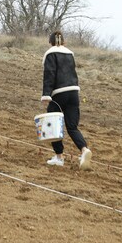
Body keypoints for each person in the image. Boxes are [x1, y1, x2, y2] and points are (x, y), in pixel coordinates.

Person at [41, 31, 92, 169]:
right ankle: (84, 150)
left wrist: (46, 95)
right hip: (74, 93)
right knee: (72, 126)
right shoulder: (70, 53)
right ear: (64, 41)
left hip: (58, 94)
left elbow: (49, 75)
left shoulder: (50, 53)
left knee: (54, 125)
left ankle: (59, 157)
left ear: (51, 41)